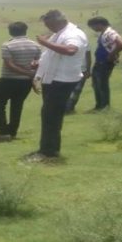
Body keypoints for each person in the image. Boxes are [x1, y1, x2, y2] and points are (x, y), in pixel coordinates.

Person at [26, 10, 88, 162]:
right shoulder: (59, 33)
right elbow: (51, 55)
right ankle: (47, 149)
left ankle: (49, 152)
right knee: (49, 115)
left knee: (51, 116)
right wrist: (39, 64)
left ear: (57, 21)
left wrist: (45, 42)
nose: (48, 27)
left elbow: (70, 50)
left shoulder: (73, 34)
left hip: (62, 80)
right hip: (54, 79)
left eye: (49, 24)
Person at [0, 22, 40, 142]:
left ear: (10, 31)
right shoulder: (35, 45)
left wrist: (26, 73)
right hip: (25, 82)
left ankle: (3, 131)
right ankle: (12, 131)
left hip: (8, 79)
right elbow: (38, 64)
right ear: (25, 30)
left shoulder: (7, 45)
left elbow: (9, 64)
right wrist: (31, 77)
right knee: (17, 106)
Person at [85, 16, 122, 112]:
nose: (93, 29)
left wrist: (112, 54)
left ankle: (104, 106)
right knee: (96, 84)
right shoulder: (104, 33)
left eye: (93, 26)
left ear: (99, 24)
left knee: (102, 84)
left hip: (105, 62)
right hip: (100, 61)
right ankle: (99, 105)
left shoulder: (110, 33)